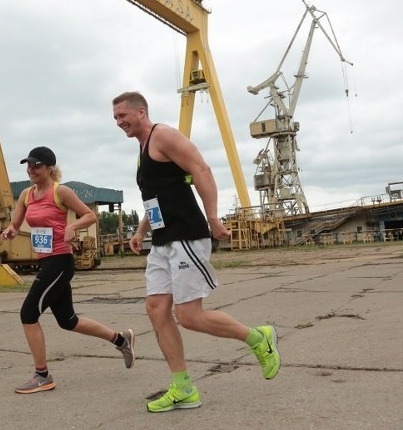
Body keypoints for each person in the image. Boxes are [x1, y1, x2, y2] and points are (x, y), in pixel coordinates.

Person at [111, 91, 281, 413]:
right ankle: (183, 388)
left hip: (185, 236)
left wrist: (214, 217)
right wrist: (140, 231)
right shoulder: (142, 151)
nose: (120, 122)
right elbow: (157, 198)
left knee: (189, 316)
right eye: (116, 118)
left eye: (123, 115)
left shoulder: (163, 135)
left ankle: (259, 338)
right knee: (156, 310)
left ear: (141, 112)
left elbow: (201, 169)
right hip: (162, 241)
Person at [2, 145, 136, 394]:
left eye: (36, 165)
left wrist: (72, 227)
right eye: (28, 165)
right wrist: (10, 229)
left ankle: (42, 376)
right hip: (46, 261)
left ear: (49, 168)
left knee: (28, 314)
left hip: (60, 262)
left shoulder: (60, 192)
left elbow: (90, 216)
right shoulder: (26, 195)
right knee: (68, 321)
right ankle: (121, 339)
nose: (31, 169)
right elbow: (16, 221)